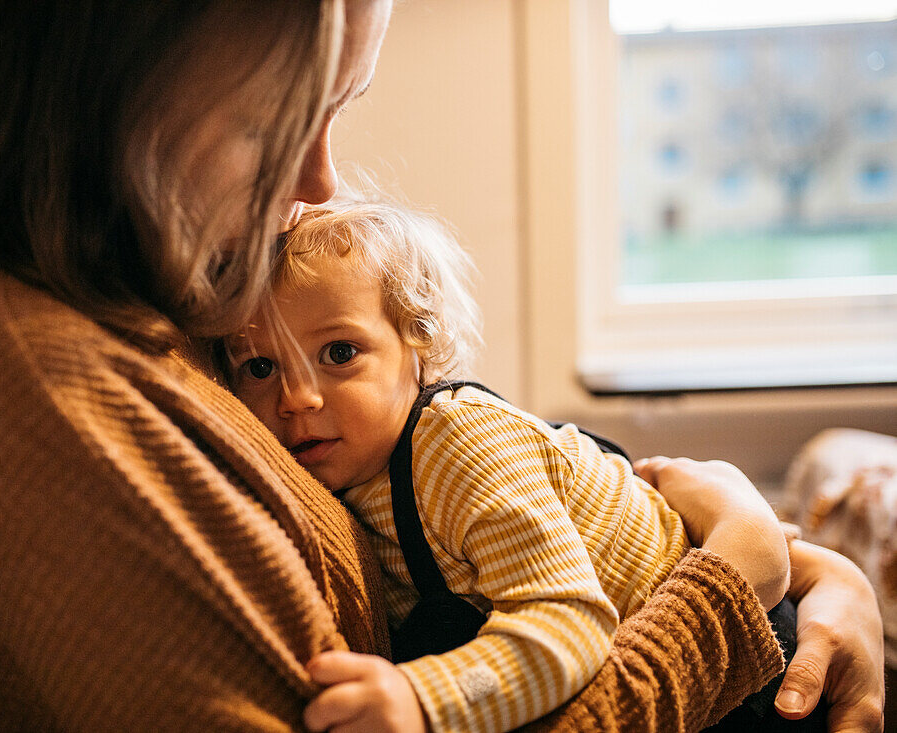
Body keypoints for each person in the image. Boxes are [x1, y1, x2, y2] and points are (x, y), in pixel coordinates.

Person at [0, 1, 884, 731]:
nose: (317, 186)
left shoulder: (180, 325)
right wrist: (729, 585)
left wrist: (809, 566)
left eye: (336, 112)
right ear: (97, 83)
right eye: (273, 122)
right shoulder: (55, 392)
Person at [221, 195, 819, 732]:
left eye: (339, 353)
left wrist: (423, 699)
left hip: (751, 670)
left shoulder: (456, 442)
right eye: (260, 367)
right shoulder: (342, 478)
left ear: (419, 345)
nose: (297, 397)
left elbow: (570, 620)